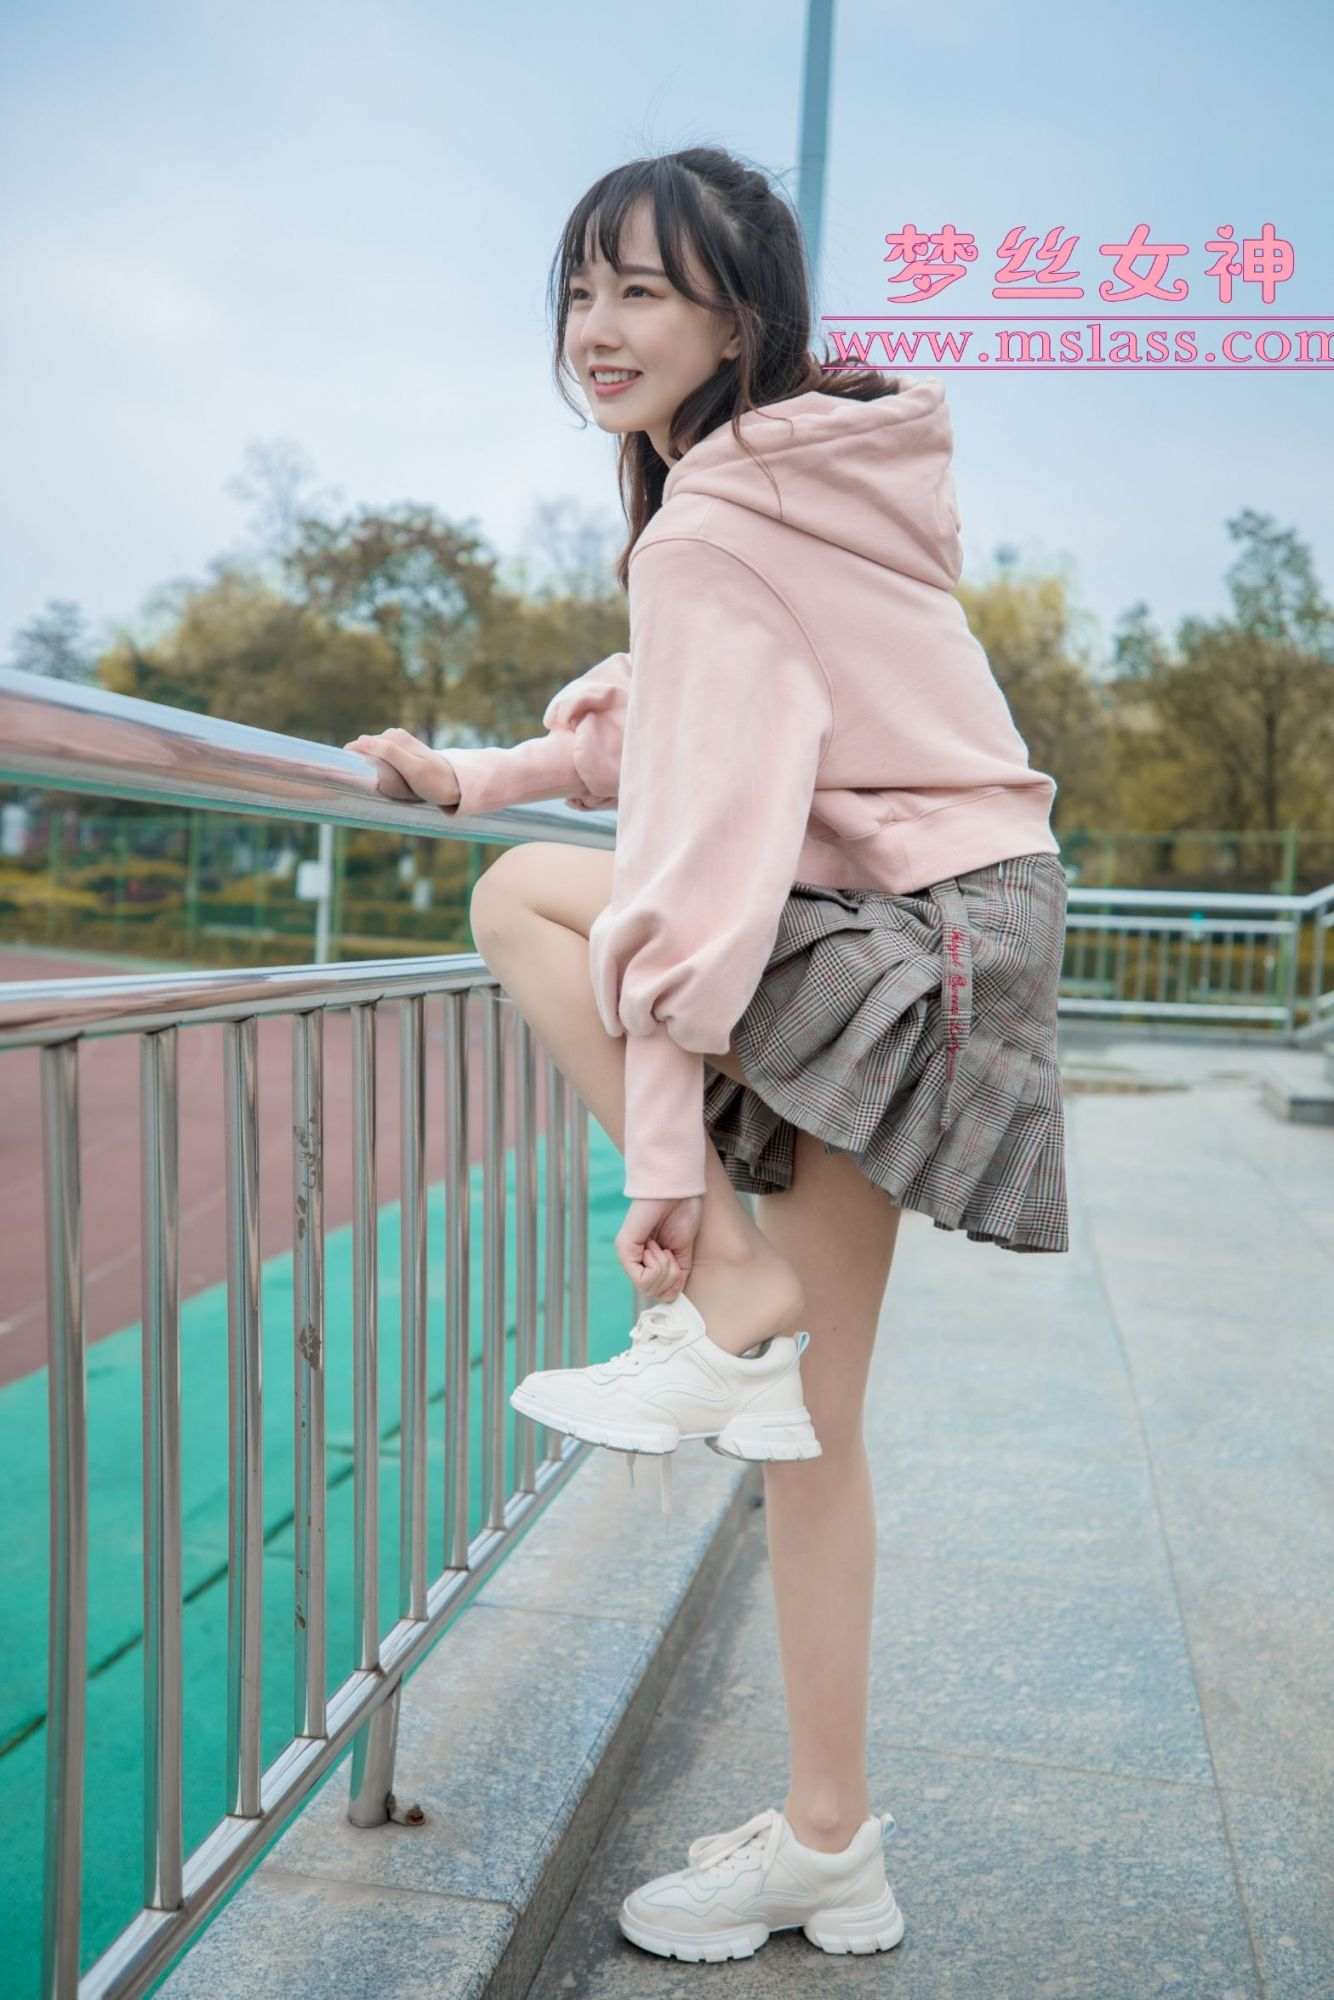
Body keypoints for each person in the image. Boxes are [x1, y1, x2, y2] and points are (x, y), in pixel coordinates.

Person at [344, 144, 1069, 1965]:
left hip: (905, 932)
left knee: (525, 901)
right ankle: (829, 1848)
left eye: (644, 292)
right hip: (966, 919)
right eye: (580, 289)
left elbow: (691, 876)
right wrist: (488, 767)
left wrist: (667, 1179)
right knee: (809, 1425)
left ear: (737, 319)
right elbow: (678, 727)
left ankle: (732, 1297)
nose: (597, 328)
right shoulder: (792, 480)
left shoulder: (717, 524)